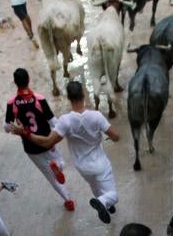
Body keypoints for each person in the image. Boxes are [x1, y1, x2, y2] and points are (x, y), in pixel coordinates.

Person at [28, 81, 120, 224]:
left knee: (95, 186)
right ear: (84, 95)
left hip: (82, 167)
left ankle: (105, 203)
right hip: (100, 163)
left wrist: (26, 134)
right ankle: (104, 202)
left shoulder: (65, 121)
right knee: (113, 195)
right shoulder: (96, 116)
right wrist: (107, 136)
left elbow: (47, 142)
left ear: (68, 98)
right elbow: (116, 136)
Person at [5, 68, 75, 212]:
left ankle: (68, 200)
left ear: (15, 83)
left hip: (31, 147)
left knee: (51, 178)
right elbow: (53, 122)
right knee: (60, 161)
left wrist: (16, 129)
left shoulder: (12, 103)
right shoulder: (39, 98)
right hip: (47, 141)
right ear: (28, 80)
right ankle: (59, 166)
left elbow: (6, 128)